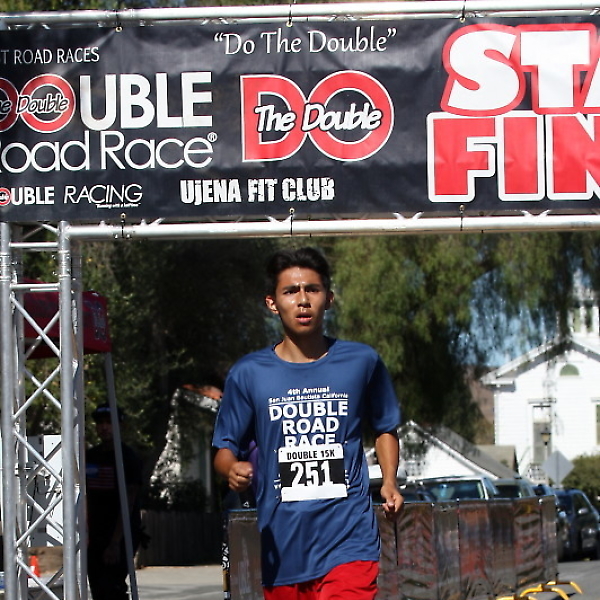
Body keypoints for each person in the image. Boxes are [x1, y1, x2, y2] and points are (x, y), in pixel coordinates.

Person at [213, 246, 403, 600]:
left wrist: (389, 480)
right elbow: (224, 446)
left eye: (312, 290)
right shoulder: (248, 373)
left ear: (328, 298)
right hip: (283, 543)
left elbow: (385, 427)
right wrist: (231, 469)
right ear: (272, 303)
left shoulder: (362, 361)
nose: (303, 301)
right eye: (290, 291)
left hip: (350, 537)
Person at [86, 403, 143, 600]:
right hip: (95, 534)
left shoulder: (128, 458)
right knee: (97, 587)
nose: (104, 427)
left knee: (112, 586)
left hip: (120, 533)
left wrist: (115, 542)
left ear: (120, 426)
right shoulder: (91, 456)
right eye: (100, 423)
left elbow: (129, 500)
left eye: (109, 423)